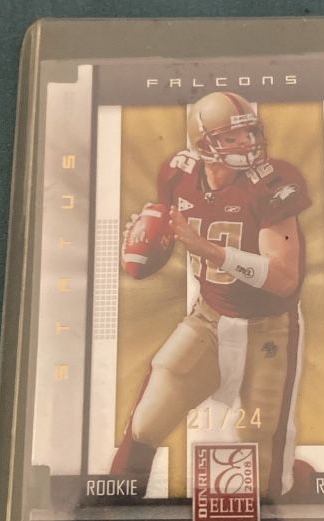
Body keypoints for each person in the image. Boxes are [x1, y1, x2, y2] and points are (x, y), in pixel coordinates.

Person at [111, 91, 311, 500]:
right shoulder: (177, 174)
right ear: (203, 143)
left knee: (261, 446)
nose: (247, 144)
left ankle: (289, 495)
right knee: (147, 421)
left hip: (269, 329)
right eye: (231, 138)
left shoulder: (274, 182)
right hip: (208, 318)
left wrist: (210, 250)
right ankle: (113, 504)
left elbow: (284, 278)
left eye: (250, 133)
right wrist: (147, 231)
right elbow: (172, 225)